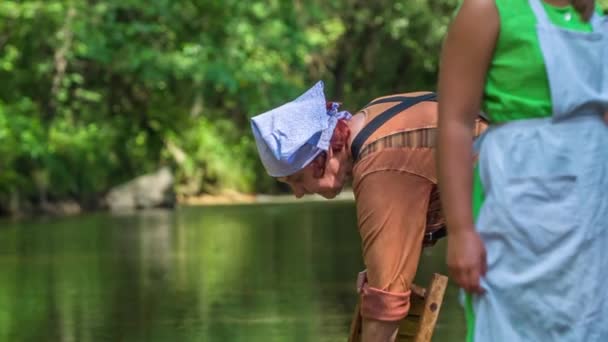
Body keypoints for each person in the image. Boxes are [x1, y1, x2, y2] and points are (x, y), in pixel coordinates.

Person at [250, 81, 487, 342]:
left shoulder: (379, 164)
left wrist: (383, 284)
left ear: (324, 153)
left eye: (297, 179)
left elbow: (385, 307)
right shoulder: (374, 117)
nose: (297, 192)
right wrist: (380, 264)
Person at [437, 0, 607, 341]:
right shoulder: (487, 10)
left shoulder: (597, 20)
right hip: (517, 208)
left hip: (593, 210)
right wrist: (460, 230)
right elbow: (455, 124)